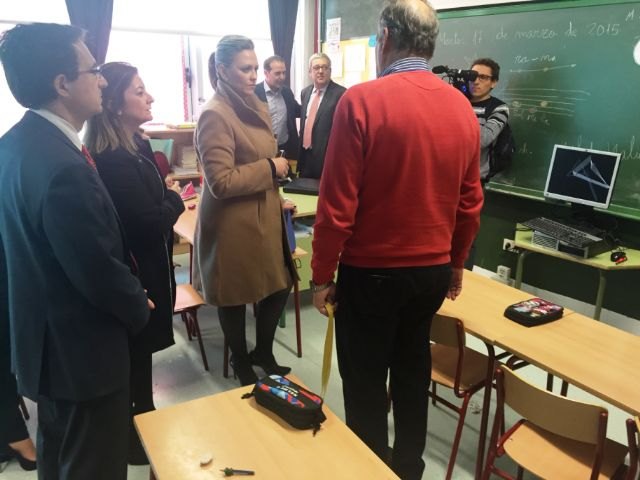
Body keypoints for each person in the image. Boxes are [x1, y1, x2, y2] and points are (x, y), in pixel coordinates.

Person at [310, 1, 483, 479]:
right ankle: (408, 468)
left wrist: (322, 275)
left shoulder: (362, 101)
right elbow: (470, 204)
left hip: (372, 274)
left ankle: (369, 471)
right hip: (430, 274)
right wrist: (456, 265)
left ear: (384, 37)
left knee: (365, 382)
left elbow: (336, 206)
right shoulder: (462, 108)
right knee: (412, 373)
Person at [0, 23, 150, 480]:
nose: (103, 80)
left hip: (44, 348)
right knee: (93, 466)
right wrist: (136, 305)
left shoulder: (15, 145)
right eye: (94, 69)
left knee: (59, 457)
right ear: (62, 83)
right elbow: (96, 268)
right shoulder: (64, 168)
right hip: (82, 358)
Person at [84, 62, 185, 465]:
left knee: (142, 358)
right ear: (113, 102)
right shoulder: (110, 158)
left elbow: (154, 205)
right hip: (137, 273)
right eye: (139, 91)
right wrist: (174, 200)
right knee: (133, 357)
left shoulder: (139, 145)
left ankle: (145, 423)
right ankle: (134, 437)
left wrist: (164, 200)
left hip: (154, 267)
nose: (150, 98)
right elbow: (146, 223)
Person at [193, 35, 297, 386]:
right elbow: (220, 181)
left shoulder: (254, 103)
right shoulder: (215, 114)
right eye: (245, 68)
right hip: (232, 224)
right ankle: (240, 360)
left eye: (255, 67)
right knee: (234, 297)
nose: (254, 75)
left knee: (279, 284)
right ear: (222, 70)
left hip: (263, 214)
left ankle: (262, 352)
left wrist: (275, 190)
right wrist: (272, 167)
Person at [464, 57, 509, 270]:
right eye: (473, 76)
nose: (476, 81)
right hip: (444, 179)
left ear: (494, 82)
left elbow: (482, 139)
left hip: (474, 182)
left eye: (483, 77)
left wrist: (450, 126)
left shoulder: (498, 109)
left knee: (465, 238)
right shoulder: (456, 99)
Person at [298, 53, 346, 179]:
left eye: (325, 67)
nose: (320, 71)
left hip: (326, 159)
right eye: (316, 68)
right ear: (310, 71)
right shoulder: (305, 93)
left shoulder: (341, 94)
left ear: (330, 71)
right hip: (305, 157)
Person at [255, 55, 301, 161]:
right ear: (266, 73)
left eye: (284, 73)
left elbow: (298, 110)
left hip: (286, 148)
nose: (282, 77)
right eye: (277, 73)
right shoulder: (254, 93)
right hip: (263, 151)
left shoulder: (287, 92)